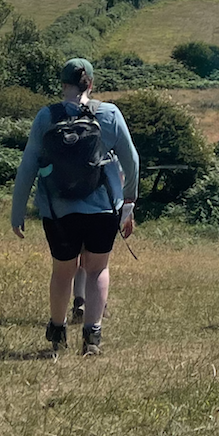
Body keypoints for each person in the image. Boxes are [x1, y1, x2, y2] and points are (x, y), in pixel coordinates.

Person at [11, 57, 139, 355]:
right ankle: (92, 337)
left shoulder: (46, 116)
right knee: (97, 270)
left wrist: (18, 211)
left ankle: (57, 335)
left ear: (63, 84)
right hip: (103, 208)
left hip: (58, 210)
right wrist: (130, 200)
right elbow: (131, 160)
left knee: (63, 271)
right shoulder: (109, 113)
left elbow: (28, 165)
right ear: (90, 83)